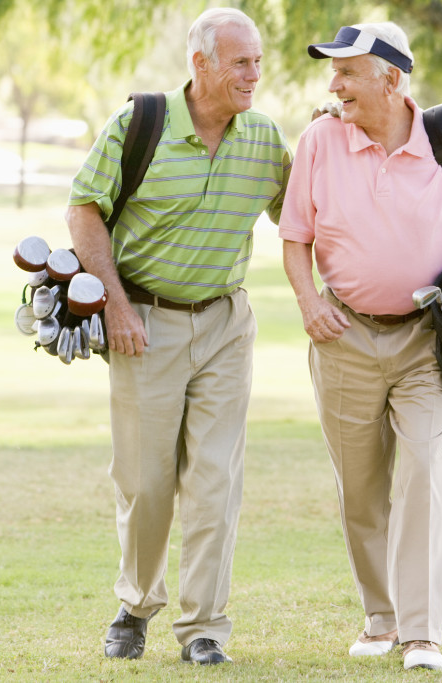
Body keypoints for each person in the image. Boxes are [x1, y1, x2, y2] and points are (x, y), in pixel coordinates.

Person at [64, 7, 291, 666]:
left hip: (224, 323)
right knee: (145, 480)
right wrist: (115, 304)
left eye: (257, 61)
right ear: (201, 64)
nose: (254, 74)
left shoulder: (264, 139)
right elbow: (84, 208)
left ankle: (205, 629)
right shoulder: (142, 122)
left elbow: (305, 212)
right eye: (240, 62)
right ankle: (135, 603)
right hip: (145, 322)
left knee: (216, 479)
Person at [278, 22, 442, 672]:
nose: (334, 84)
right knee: (361, 485)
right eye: (334, 72)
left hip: (425, 339)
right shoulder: (320, 139)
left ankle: (421, 632)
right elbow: (295, 236)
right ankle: (378, 616)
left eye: (347, 72)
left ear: (391, 78)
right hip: (343, 334)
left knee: (422, 466)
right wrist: (309, 301)